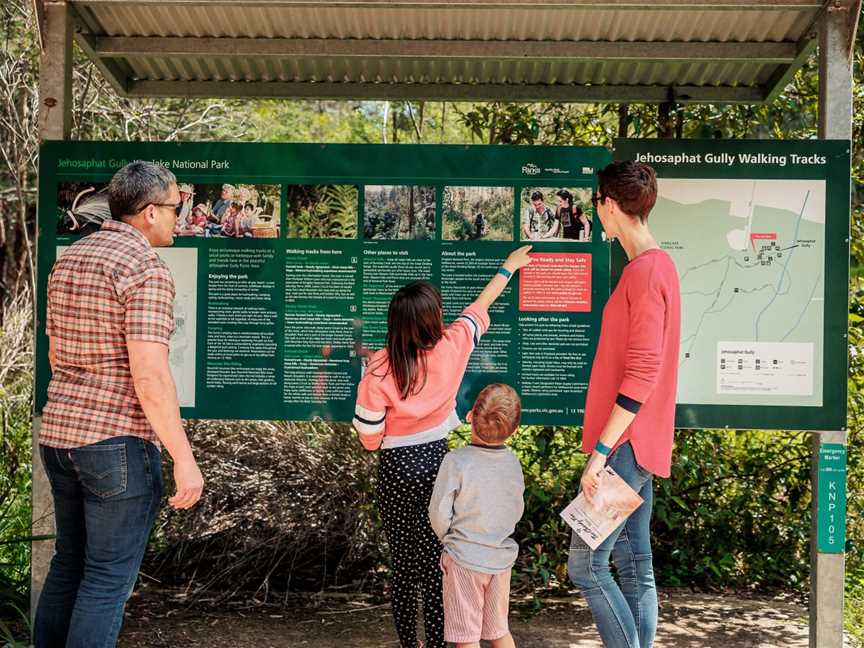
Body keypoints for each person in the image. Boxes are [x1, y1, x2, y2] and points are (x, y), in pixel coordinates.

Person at [36, 161, 205, 648]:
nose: (182, 216)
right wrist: (185, 459)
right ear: (150, 212)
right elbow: (150, 376)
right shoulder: (144, 268)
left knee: (69, 566)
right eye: (178, 207)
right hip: (116, 443)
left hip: (60, 435)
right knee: (107, 582)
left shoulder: (72, 256)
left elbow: (55, 349)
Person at [352, 246, 533, 648]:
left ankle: (409, 644)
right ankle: (438, 642)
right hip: (438, 460)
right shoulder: (453, 344)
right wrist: (509, 267)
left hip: (397, 467)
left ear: (393, 323)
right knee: (438, 566)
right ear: (434, 319)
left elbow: (368, 438)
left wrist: (390, 436)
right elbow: (480, 306)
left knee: (403, 565)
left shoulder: (379, 368)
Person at [567, 160, 681, 648]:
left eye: (597, 203)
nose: (597, 213)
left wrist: (600, 453)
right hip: (638, 444)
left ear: (609, 205)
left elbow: (642, 372)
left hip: (624, 447)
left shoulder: (644, 272)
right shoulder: (658, 267)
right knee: (635, 564)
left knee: (586, 565)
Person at [428, 383, 525, 648]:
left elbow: (438, 511)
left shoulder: (456, 461)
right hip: (500, 560)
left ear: (470, 415)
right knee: (498, 631)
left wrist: (449, 540)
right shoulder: (513, 463)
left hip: (464, 560)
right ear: (514, 430)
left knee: (466, 637)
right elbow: (515, 509)